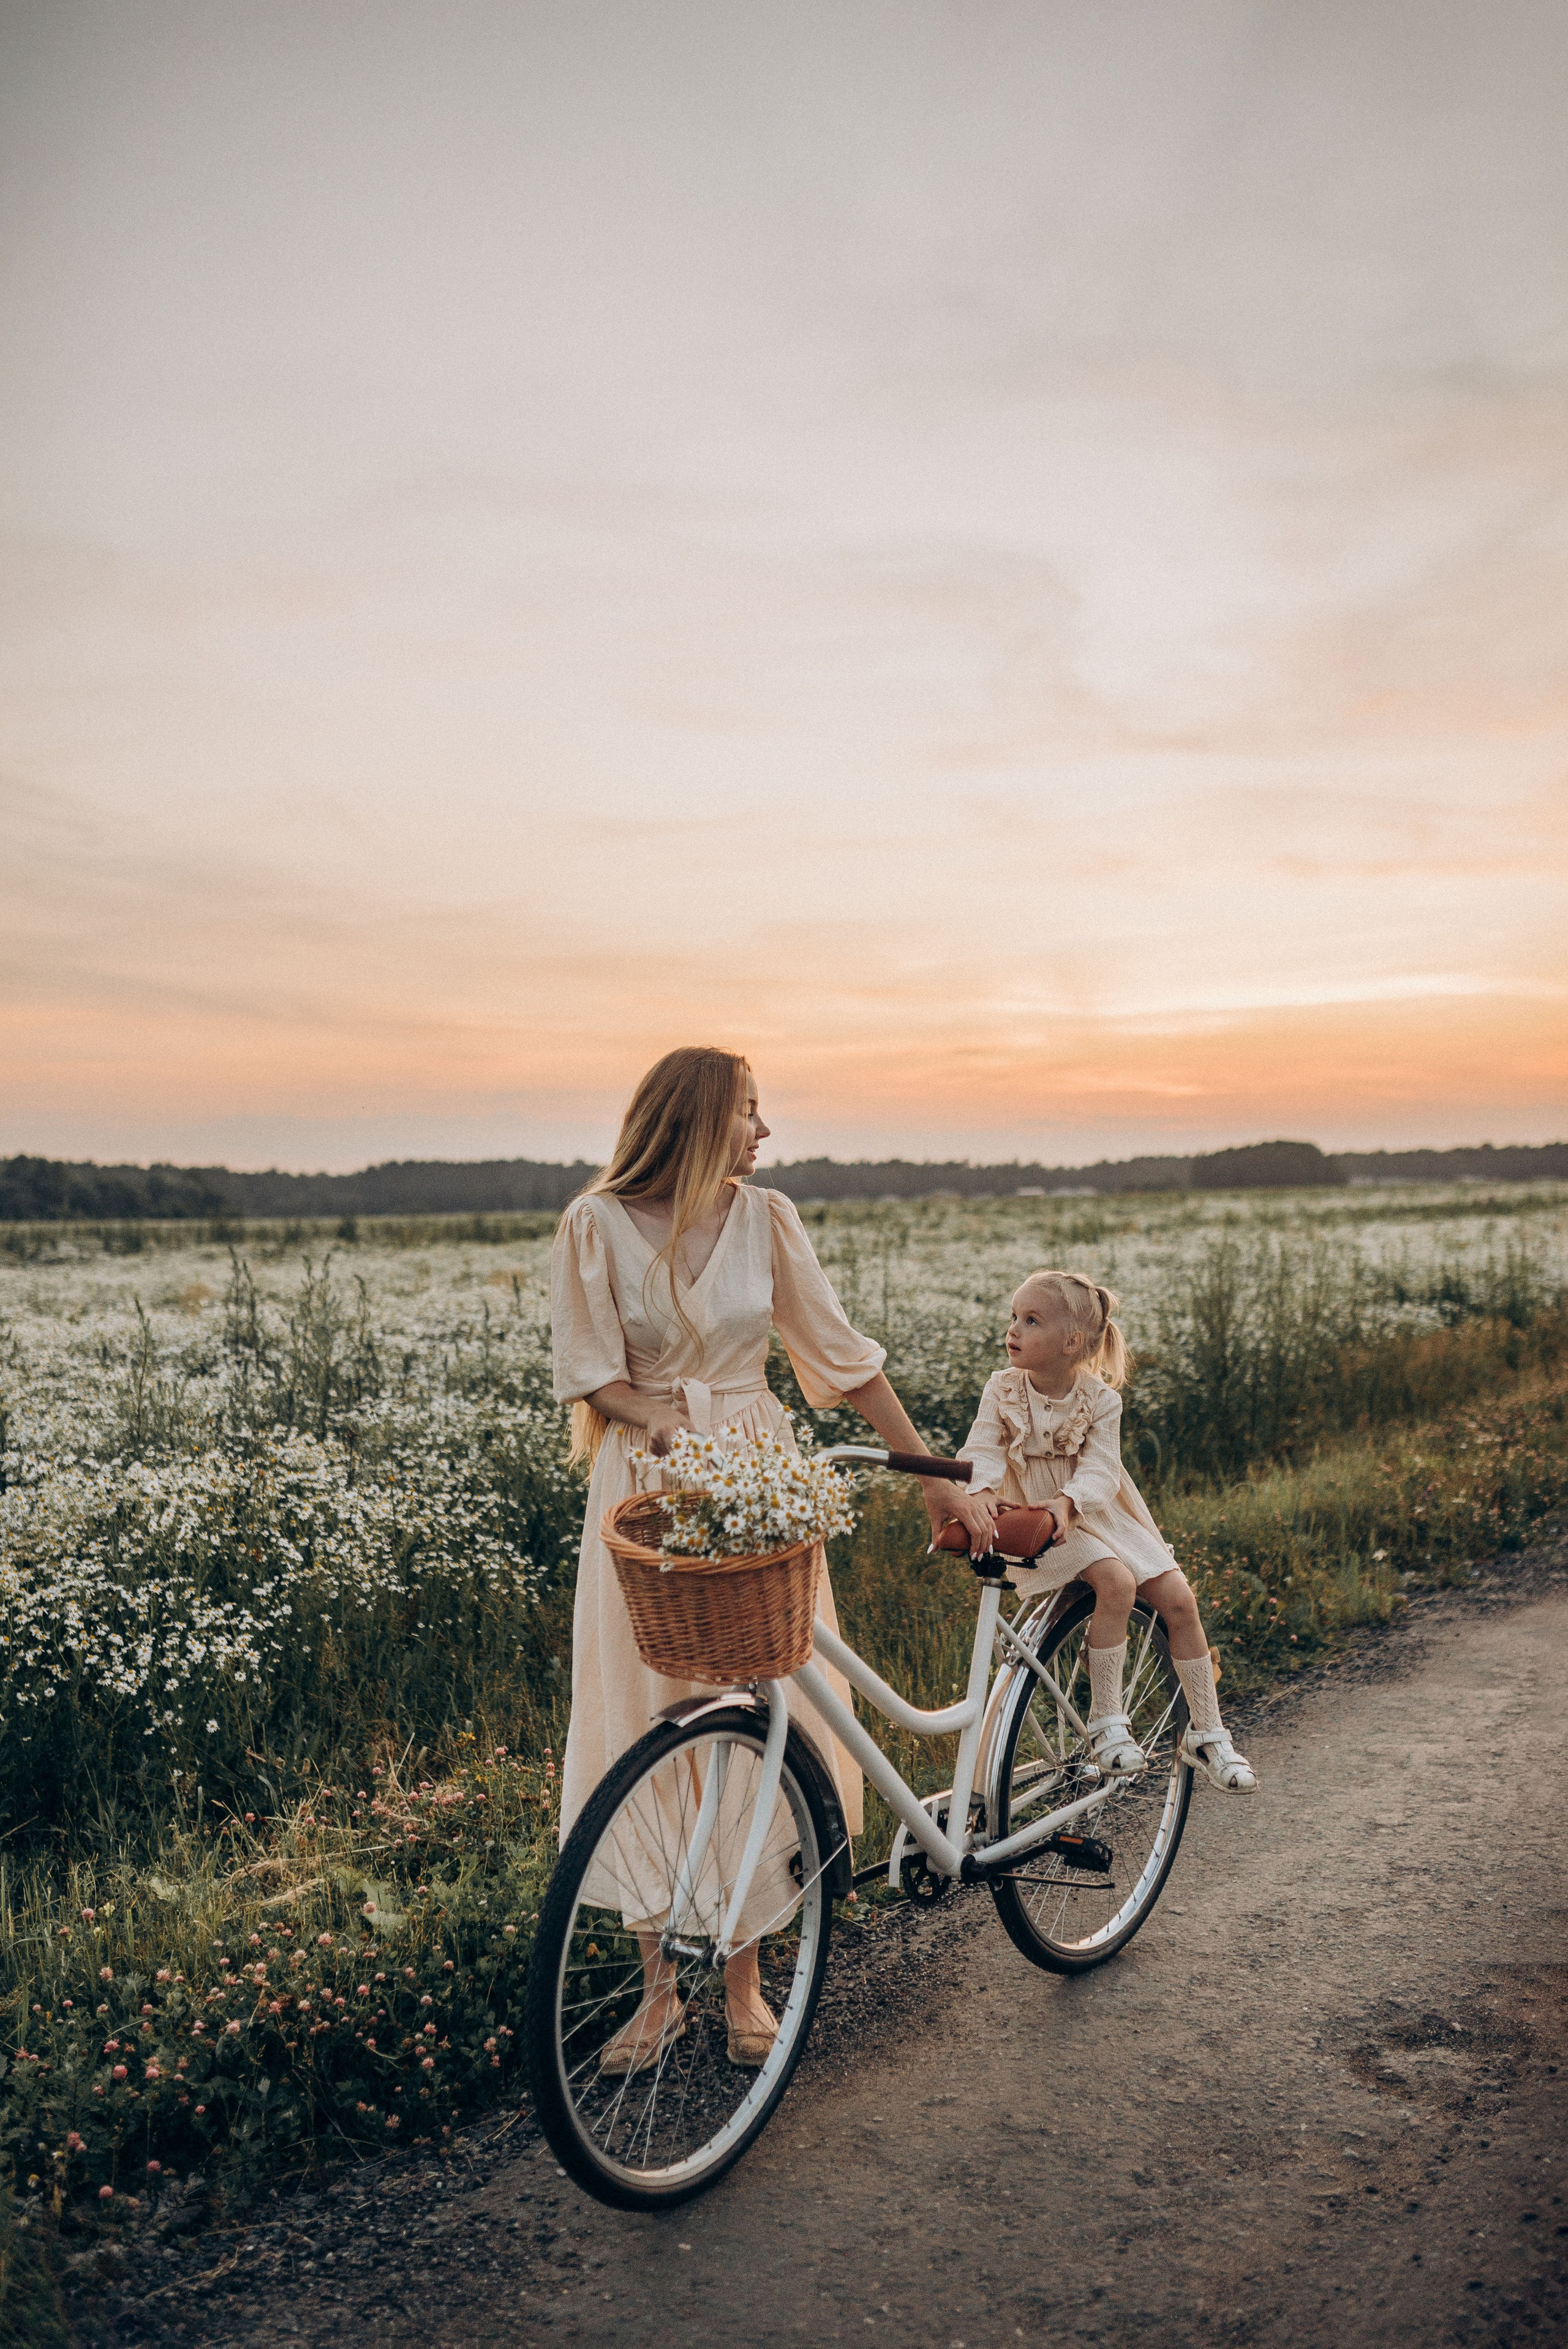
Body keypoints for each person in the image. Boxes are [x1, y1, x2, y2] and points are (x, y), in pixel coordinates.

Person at [551, 1046, 994, 2073]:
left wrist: (931, 1473)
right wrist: (656, 1419)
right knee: (646, 1715)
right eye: (749, 1111)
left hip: (757, 1474)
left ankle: (746, 1982)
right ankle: (658, 1993)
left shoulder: (767, 1218)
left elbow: (844, 1359)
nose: (764, 1131)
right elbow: (591, 1372)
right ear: (697, 1118)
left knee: (761, 1708)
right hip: (649, 1480)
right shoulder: (595, 1224)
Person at [957, 1269, 1257, 1792]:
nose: (1014, 1329)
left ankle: (1207, 1732)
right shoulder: (1002, 1389)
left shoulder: (1100, 1400)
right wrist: (981, 1488)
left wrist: (1070, 1500)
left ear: (1071, 1342)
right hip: (1039, 1517)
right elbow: (983, 1444)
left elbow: (1100, 1469)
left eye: (1031, 1320)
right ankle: (1106, 1722)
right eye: (1014, 1317)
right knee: (1116, 1581)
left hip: (1093, 1510)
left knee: (1180, 1599)